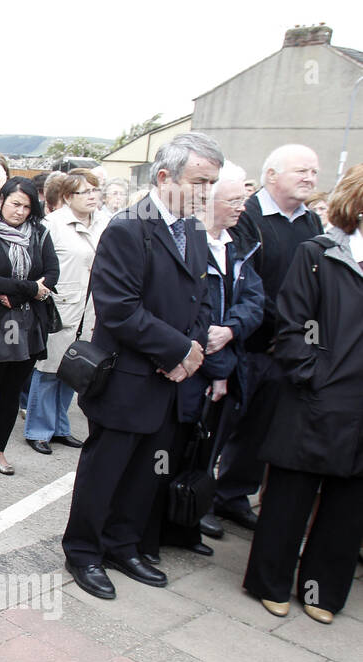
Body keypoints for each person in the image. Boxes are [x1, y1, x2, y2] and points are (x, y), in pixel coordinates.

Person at [60, 132, 221, 600]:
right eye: (200, 181)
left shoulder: (191, 230)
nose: (207, 192)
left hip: (171, 380)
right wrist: (177, 353)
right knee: (105, 469)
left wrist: (190, 353)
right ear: (165, 176)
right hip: (127, 379)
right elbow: (120, 309)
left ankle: (123, 544)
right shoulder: (129, 227)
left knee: (147, 471)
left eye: (213, 183)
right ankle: (84, 551)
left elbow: (201, 297)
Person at [244, 164, 363, 625]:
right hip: (315, 399)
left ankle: (322, 592)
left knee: (347, 505)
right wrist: (316, 377)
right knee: (289, 497)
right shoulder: (320, 254)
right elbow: (291, 328)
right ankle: (269, 582)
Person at [140, 163, 264, 558]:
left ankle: (186, 523)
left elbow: (254, 302)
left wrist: (231, 331)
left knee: (202, 452)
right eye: (231, 199)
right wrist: (204, 355)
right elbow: (189, 313)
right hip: (188, 368)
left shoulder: (237, 246)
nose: (240, 207)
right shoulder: (188, 240)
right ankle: (151, 533)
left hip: (222, 367)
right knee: (166, 456)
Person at [212, 144, 322, 531]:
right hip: (246, 342)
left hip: (284, 349)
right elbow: (247, 285)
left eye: (313, 172)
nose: (310, 178)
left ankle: (233, 495)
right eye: (301, 171)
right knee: (223, 423)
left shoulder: (311, 223)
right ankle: (201, 496)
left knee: (261, 426)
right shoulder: (248, 216)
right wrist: (283, 324)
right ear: (272, 175)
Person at [0, 177, 58, 476]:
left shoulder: (40, 234)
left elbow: (52, 273)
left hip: (29, 325)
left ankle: (0, 450)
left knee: (11, 393)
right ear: (2, 200)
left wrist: (22, 290)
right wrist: (31, 287)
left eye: (26, 206)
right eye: (14, 203)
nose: (19, 211)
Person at [25, 168, 105, 454]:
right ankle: (38, 430)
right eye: (86, 192)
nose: (93, 197)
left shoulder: (104, 223)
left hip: (91, 308)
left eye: (96, 190)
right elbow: (39, 264)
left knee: (76, 370)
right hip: (61, 306)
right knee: (49, 369)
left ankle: (60, 427)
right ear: (69, 196)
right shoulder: (53, 224)